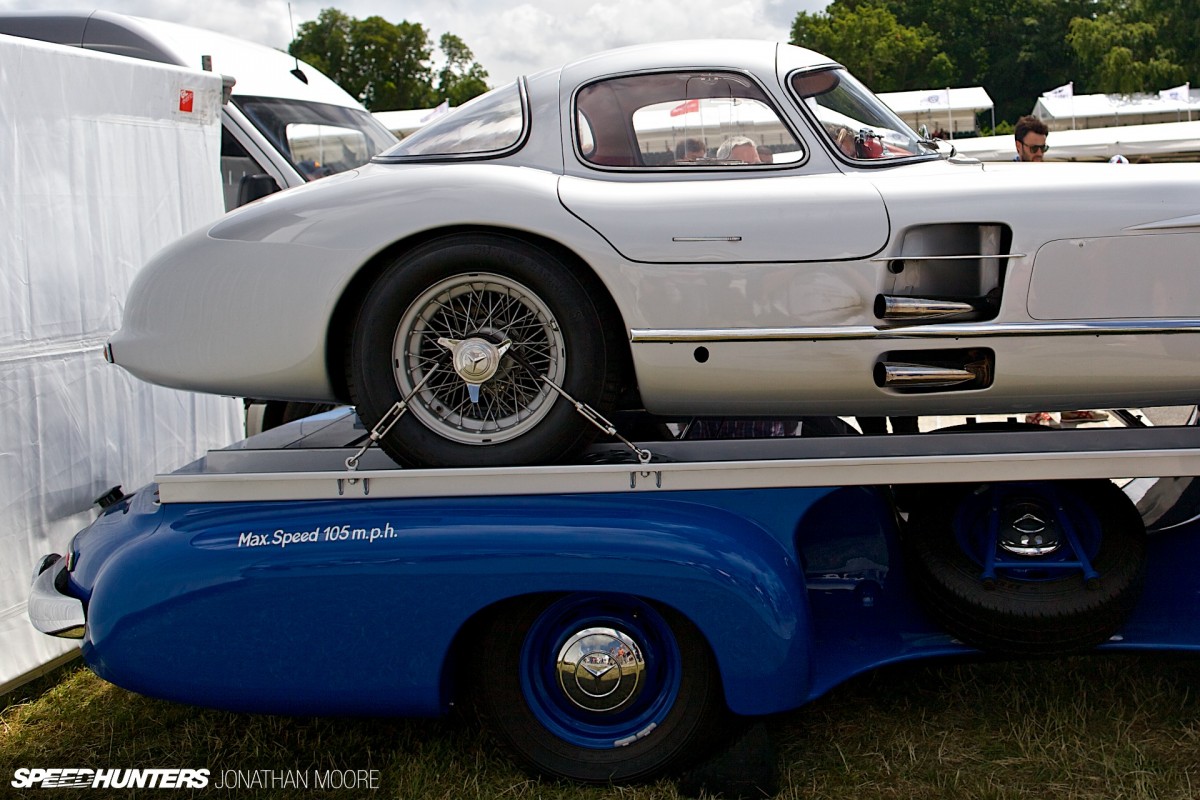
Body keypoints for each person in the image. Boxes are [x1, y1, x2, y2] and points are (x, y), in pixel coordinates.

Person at [1014, 116, 1108, 426]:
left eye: (1043, 148)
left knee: (1070, 339)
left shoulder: (1047, 177)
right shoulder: (1009, 179)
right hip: (1028, 272)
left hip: (1057, 270)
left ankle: (1070, 405)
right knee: (1037, 343)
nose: (1039, 154)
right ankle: (1035, 409)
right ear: (1018, 146)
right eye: (1034, 148)